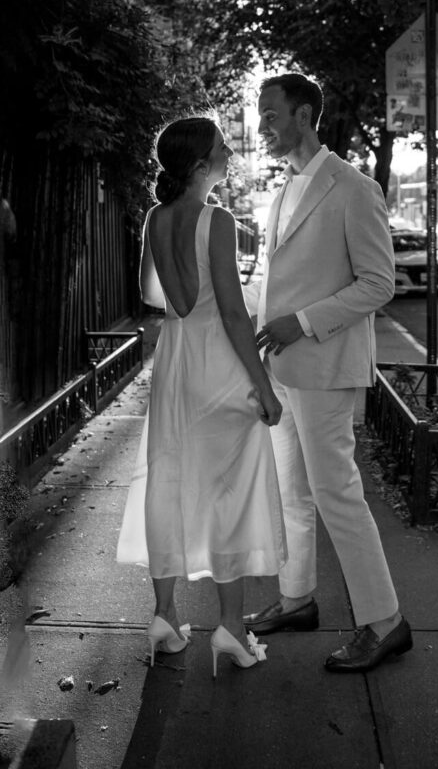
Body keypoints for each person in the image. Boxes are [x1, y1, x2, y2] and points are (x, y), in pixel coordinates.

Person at [243, 73, 412, 672]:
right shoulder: (283, 189)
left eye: (270, 113)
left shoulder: (353, 188)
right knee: (291, 492)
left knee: (337, 494)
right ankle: (297, 599)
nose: (262, 123)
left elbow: (379, 284)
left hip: (326, 367)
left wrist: (304, 321)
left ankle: (385, 622)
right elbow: (278, 279)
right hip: (281, 367)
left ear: (305, 113)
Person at [117, 115, 286, 677]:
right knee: (229, 493)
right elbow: (234, 315)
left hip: (174, 364)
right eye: (222, 147)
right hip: (217, 367)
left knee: (168, 479)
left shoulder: (155, 218)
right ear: (198, 164)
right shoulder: (216, 219)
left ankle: (164, 617)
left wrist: (178, 278)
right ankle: (231, 630)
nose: (230, 153)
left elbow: (150, 296)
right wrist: (264, 389)